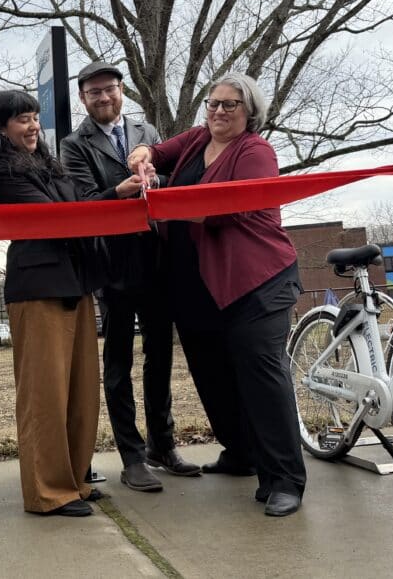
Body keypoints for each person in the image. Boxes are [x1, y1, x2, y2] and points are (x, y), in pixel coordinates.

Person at [127, 72, 307, 517]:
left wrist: (168, 196)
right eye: (213, 103)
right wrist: (144, 155)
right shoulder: (197, 139)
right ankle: (242, 453)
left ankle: (285, 478)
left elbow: (234, 205)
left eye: (231, 105)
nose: (219, 111)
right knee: (212, 377)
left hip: (255, 282)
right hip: (194, 287)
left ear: (250, 113)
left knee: (261, 376)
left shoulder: (256, 151)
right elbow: (159, 150)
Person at [0, 90, 129, 516]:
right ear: (1, 128)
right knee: (45, 395)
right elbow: (59, 220)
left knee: (81, 391)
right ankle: (48, 492)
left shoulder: (47, 164)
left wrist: (114, 195)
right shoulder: (7, 173)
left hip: (76, 283)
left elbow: (77, 208)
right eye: (21, 120)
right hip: (39, 289)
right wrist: (110, 200)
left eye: (33, 117)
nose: (31, 126)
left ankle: (76, 479)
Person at [60, 61, 200, 493]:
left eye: (110, 89)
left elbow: (168, 181)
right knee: (118, 362)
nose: (104, 98)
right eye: (94, 92)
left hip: (157, 259)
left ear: (123, 91)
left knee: (160, 356)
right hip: (113, 265)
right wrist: (119, 191)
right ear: (83, 99)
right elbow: (83, 203)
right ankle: (132, 456)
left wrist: (155, 181)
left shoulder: (149, 133)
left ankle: (163, 444)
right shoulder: (73, 145)